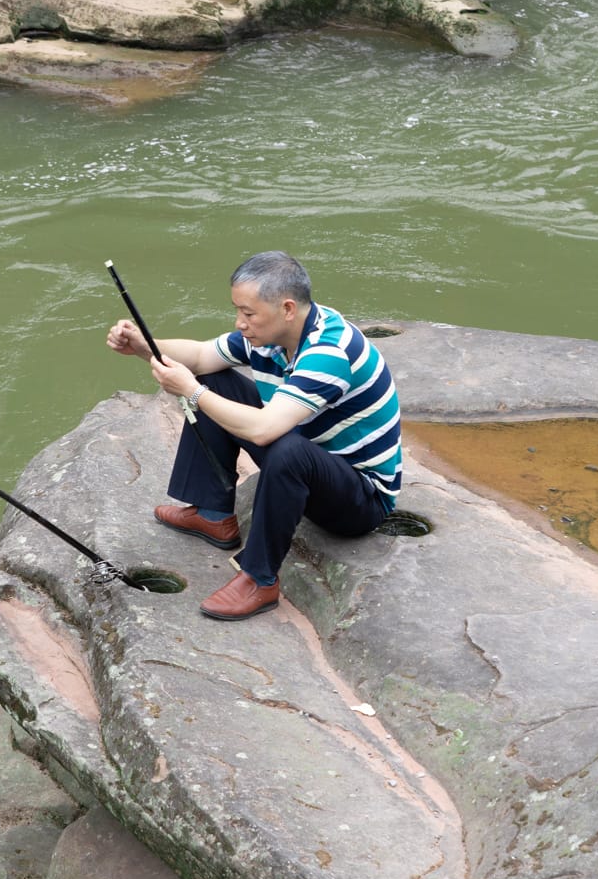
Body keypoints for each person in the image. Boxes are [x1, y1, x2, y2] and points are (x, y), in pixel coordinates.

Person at [105, 251, 401, 620]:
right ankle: (214, 513)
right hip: (314, 459)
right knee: (214, 380)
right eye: (238, 312)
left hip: (360, 498)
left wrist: (191, 392)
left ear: (287, 308)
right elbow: (199, 356)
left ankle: (260, 579)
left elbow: (264, 431)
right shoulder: (271, 334)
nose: (240, 323)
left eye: (248, 313)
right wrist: (143, 347)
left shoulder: (329, 352)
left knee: (285, 447)